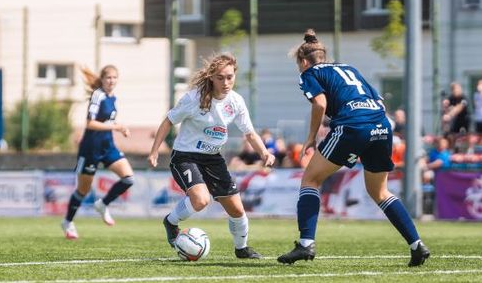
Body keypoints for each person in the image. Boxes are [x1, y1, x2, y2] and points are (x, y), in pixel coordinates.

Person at [278, 30, 429, 266]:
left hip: (352, 125)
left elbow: (320, 104)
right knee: (380, 192)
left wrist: (311, 137)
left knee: (310, 180)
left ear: (304, 61)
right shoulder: (349, 68)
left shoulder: (310, 73)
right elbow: (379, 102)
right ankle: (416, 245)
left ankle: (306, 244)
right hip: (381, 125)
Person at [148, 53, 273, 259]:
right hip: (186, 157)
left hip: (213, 158)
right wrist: (154, 151)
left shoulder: (236, 101)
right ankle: (170, 222)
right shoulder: (193, 99)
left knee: (237, 209)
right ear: (211, 78)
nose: (226, 82)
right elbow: (168, 121)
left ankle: (241, 248)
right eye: (220, 78)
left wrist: (264, 152)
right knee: (201, 200)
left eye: (230, 77)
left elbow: (250, 133)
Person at [61, 65, 134, 240]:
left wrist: (120, 127)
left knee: (128, 178)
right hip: (90, 149)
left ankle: (102, 204)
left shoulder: (112, 98)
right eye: (108, 77)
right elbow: (90, 123)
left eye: (114, 77)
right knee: (83, 190)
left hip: (108, 147)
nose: (111, 81)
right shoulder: (97, 95)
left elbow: (107, 122)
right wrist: (116, 127)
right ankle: (67, 222)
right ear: (102, 79)